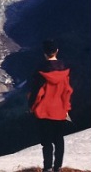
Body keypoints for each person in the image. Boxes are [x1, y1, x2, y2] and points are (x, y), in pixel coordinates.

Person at [28, 39, 73, 172]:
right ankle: (57, 167)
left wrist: (32, 107)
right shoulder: (65, 71)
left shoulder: (41, 72)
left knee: (46, 142)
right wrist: (66, 108)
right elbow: (67, 91)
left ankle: (47, 168)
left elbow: (37, 93)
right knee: (59, 140)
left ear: (44, 53)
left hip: (44, 112)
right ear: (57, 51)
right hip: (59, 111)